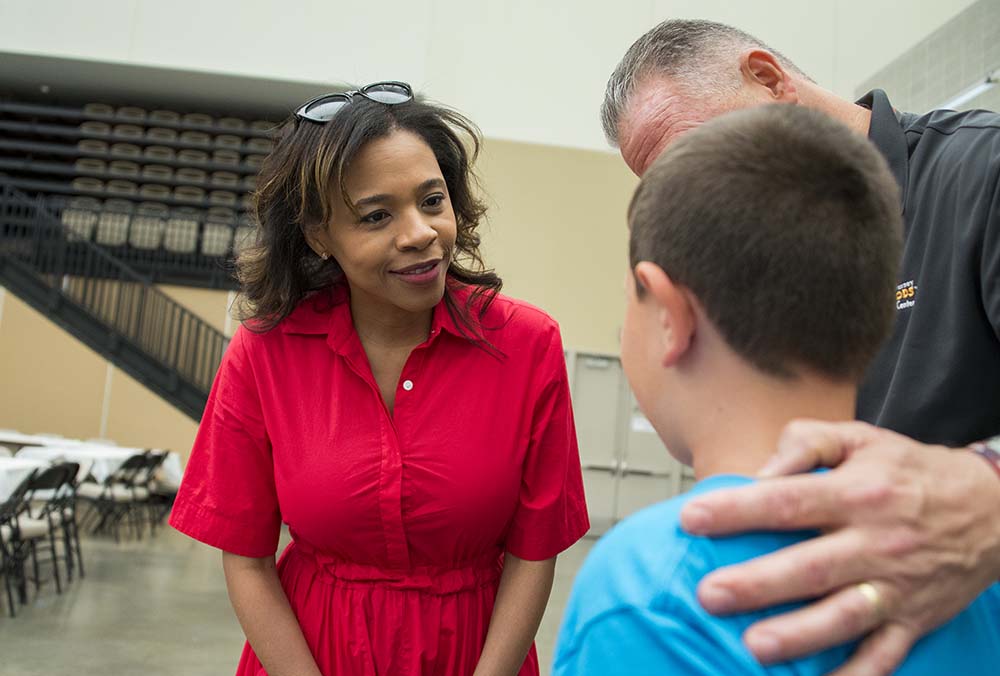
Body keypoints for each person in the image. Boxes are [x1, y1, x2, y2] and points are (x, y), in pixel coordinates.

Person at [600, 20, 1000, 674]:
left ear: (768, 78)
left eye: (702, 152)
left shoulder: (982, 176)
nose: (700, 203)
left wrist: (986, 494)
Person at [168, 82, 589, 676]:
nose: (419, 233)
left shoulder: (525, 346)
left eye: (432, 200)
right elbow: (247, 562)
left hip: (474, 655)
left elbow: (532, 554)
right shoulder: (265, 354)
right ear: (319, 235)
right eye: (376, 215)